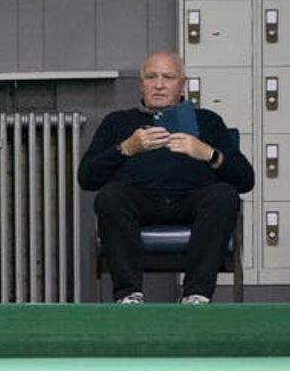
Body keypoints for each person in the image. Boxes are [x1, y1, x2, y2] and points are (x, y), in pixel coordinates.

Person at [78, 51, 254, 304]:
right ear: (141, 83)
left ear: (182, 84)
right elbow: (87, 177)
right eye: (151, 77)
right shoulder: (118, 121)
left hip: (193, 202)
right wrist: (125, 148)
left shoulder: (207, 121)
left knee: (224, 196)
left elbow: (245, 180)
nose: (159, 85)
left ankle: (196, 294)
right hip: (139, 203)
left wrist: (208, 153)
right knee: (109, 197)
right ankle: (128, 295)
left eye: (168, 77)